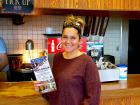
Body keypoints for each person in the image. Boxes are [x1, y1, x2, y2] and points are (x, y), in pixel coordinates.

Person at [45, 15, 101, 105]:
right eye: (65, 37)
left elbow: (93, 99)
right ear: (61, 38)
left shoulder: (87, 62)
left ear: (79, 41)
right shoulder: (57, 58)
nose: (68, 41)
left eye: (73, 38)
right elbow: (55, 93)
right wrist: (43, 86)